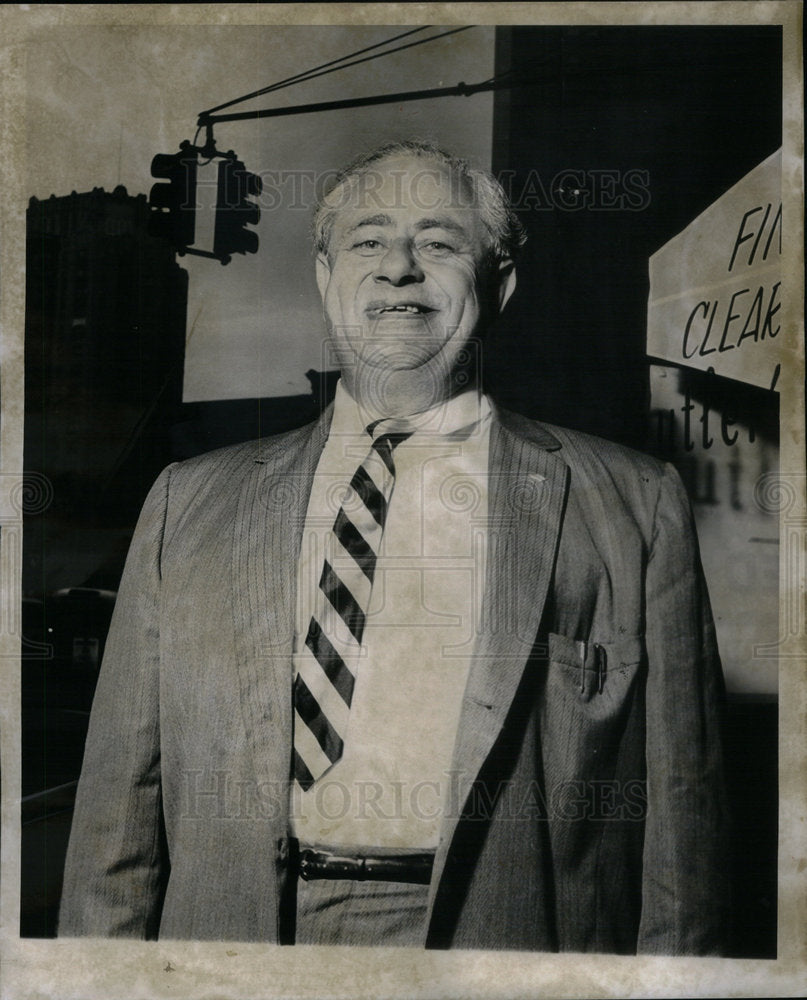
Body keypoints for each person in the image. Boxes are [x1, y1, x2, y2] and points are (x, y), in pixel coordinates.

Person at [59, 139, 729, 953]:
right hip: (236, 946)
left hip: (505, 945)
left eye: (439, 243)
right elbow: (115, 815)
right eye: (368, 241)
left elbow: (684, 819)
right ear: (325, 276)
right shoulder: (186, 501)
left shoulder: (631, 503)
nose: (398, 269)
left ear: (500, 283)